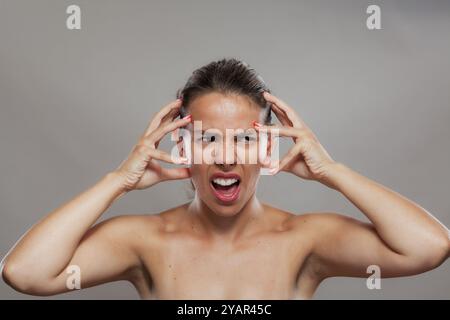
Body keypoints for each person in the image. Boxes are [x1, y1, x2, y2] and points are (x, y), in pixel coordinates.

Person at [1, 58, 449, 299]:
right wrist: (117, 179)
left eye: (245, 140)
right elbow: (25, 274)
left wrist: (333, 173)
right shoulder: (144, 240)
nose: (227, 157)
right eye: (209, 138)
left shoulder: (305, 239)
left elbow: (429, 248)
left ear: (268, 149)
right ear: (183, 148)